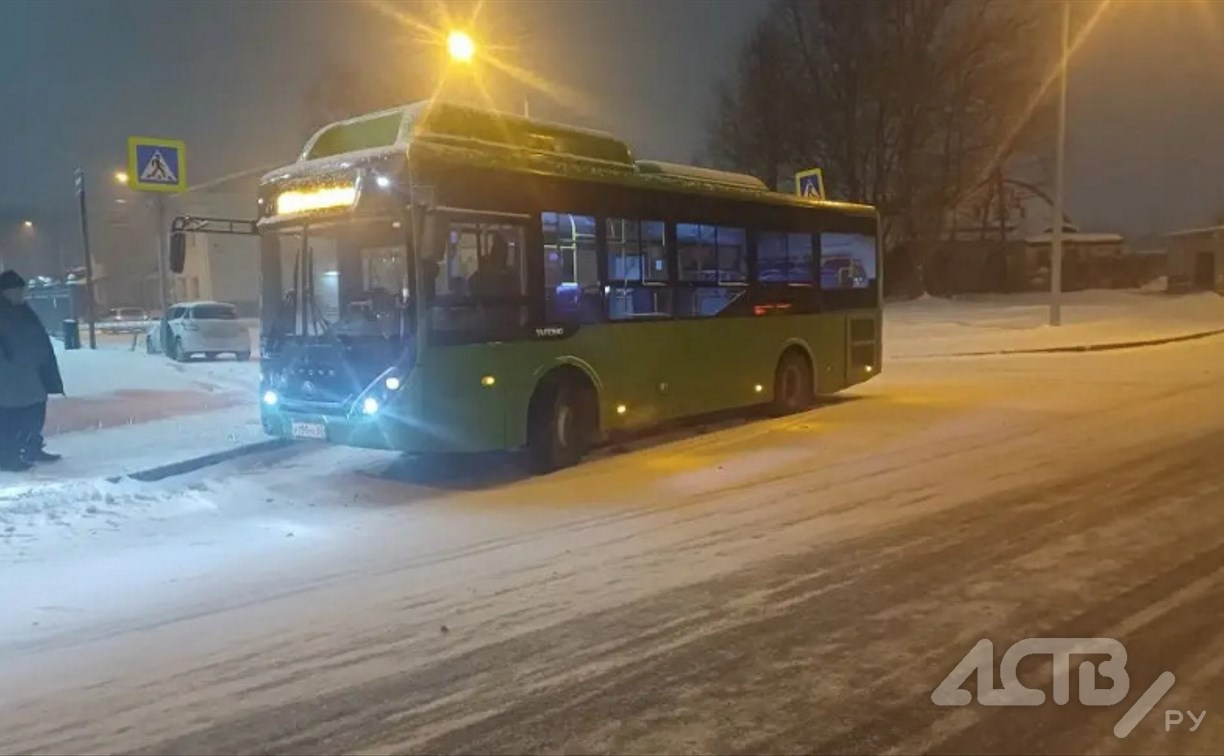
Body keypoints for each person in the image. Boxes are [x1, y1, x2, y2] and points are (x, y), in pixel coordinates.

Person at [0, 270, 64, 471]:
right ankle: (7, 456)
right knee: (10, 419)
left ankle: (31, 447)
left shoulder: (24, 310)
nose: (20, 294)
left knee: (36, 413)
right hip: (9, 379)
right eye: (15, 291)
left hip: (32, 374)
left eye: (21, 290)